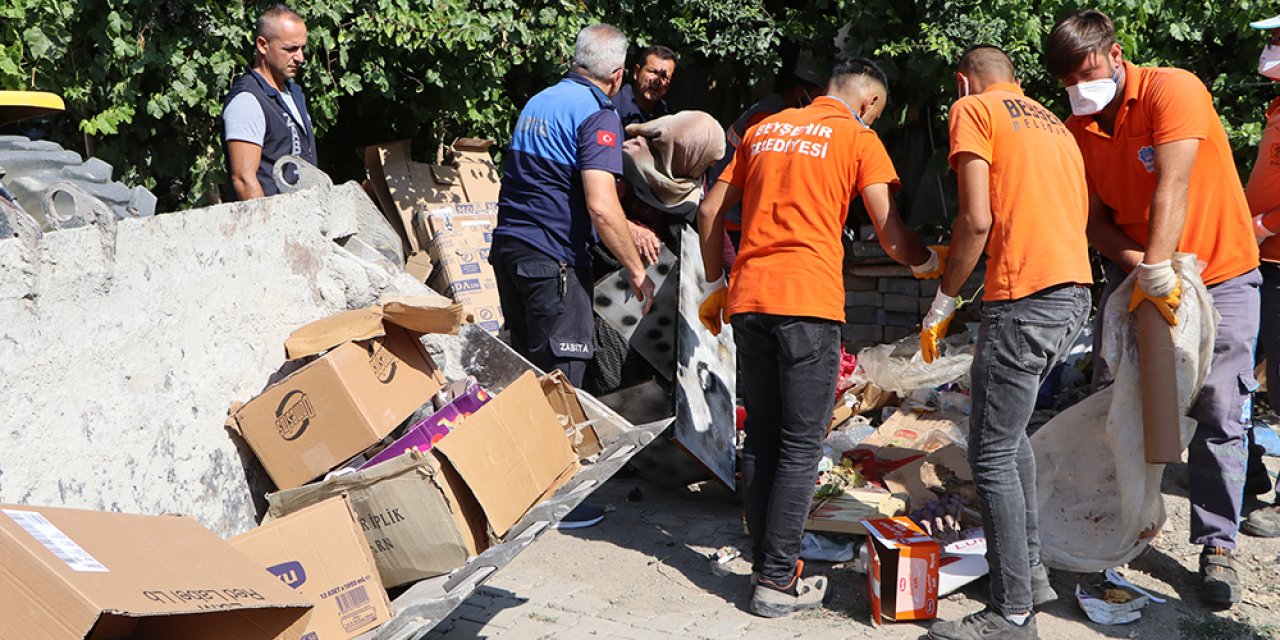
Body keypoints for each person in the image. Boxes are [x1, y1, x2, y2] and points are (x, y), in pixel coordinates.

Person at [695, 57, 941, 618]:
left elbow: (709, 210)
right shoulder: (857, 137)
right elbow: (890, 232)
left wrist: (716, 285)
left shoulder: (763, 129)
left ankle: (766, 560)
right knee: (801, 446)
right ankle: (776, 581)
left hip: (751, 299)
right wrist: (928, 264)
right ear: (870, 102)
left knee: (759, 437)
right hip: (807, 304)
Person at [1045, 10, 1261, 606]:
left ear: (1116, 56)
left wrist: (1162, 266)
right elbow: (1090, 219)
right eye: (1067, 80)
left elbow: (1174, 182)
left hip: (1219, 275)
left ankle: (1218, 546)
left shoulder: (1173, 88)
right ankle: (1118, 532)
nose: (1079, 88)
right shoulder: (1077, 128)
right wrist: (1144, 267)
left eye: (1086, 71)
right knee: (1125, 410)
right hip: (1139, 280)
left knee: (1219, 409)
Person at [921, 46, 1092, 640]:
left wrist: (944, 300)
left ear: (965, 81)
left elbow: (975, 220)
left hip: (1024, 298)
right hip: (1071, 295)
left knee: (989, 451)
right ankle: (1033, 575)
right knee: (1009, 437)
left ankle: (1012, 612)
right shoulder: (1055, 124)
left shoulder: (975, 110)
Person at [490, 23, 655, 390]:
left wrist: (629, 228)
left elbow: (549, 184)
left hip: (510, 253)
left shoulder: (540, 100)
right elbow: (600, 204)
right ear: (617, 76)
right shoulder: (599, 114)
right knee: (561, 388)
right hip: (553, 261)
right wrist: (637, 271)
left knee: (526, 380)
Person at [708, 51, 827, 248]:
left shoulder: (780, 113)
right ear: (800, 91)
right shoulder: (766, 118)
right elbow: (759, 180)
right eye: (816, 97)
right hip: (732, 220)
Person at [1243, 13, 1280, 539]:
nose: (1270, 46)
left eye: (1277, 38)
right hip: (1263, 262)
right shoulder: (1276, 108)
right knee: (1236, 378)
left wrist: (1262, 225)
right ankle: (1244, 475)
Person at [222, 4, 316, 201]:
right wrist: (271, 230)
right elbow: (244, 180)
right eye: (290, 49)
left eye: (302, 48)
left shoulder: (294, 93)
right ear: (263, 45)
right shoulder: (247, 100)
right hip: (272, 225)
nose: (300, 58)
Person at [615, 45, 677, 131]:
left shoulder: (667, 116)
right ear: (637, 72)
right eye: (653, 72)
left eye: (664, 76)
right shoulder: (614, 109)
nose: (657, 80)